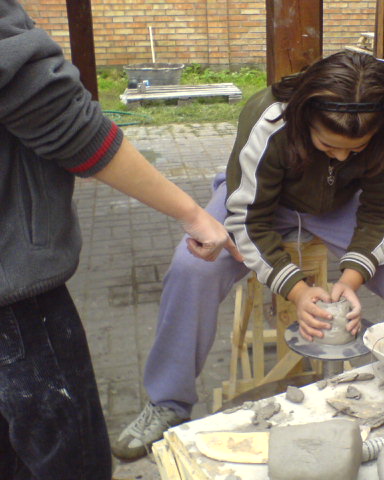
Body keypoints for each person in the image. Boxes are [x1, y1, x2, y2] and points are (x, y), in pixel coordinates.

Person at [113, 50, 384, 459]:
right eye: (328, 145)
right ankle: (168, 402)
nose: (341, 157)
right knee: (192, 268)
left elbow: (381, 211)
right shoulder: (270, 117)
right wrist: (297, 290)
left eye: (356, 149)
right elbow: (249, 219)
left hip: (343, 204)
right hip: (260, 201)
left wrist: (351, 278)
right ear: (304, 117)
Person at [0, 2, 241, 478]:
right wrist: (193, 214)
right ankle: (169, 402)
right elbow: (67, 124)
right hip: (13, 290)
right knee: (71, 460)